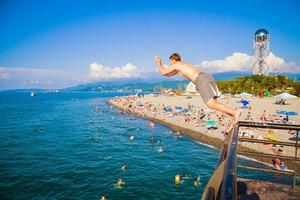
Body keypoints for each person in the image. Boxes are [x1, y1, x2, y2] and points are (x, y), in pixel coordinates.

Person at [154, 53, 240, 124]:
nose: (170, 65)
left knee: (210, 104)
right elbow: (168, 74)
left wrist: (158, 62)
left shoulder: (176, 65)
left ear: (173, 60)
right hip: (206, 77)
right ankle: (232, 116)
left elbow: (163, 72)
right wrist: (161, 65)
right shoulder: (183, 65)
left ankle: (235, 113)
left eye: (170, 62)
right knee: (214, 103)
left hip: (201, 80)